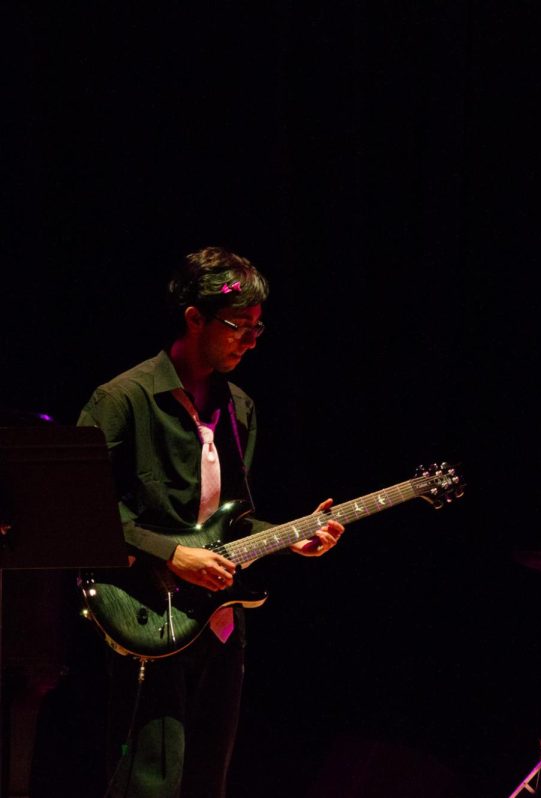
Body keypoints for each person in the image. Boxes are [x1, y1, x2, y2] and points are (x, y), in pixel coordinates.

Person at [77, 247, 345, 797]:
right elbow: (79, 511)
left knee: (206, 778)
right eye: (236, 326)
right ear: (193, 318)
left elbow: (229, 523)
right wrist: (171, 553)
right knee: (148, 779)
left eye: (256, 328)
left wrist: (293, 537)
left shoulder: (240, 406)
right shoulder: (122, 399)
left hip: (219, 618)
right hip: (144, 609)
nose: (249, 340)